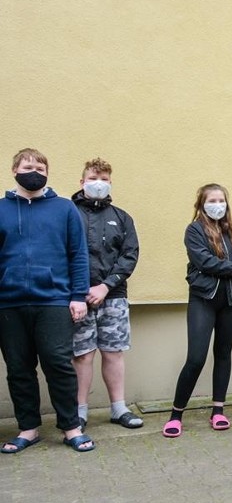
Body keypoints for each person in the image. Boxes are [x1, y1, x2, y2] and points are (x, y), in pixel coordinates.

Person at [0, 148, 95, 453]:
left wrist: (78, 296)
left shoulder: (65, 209)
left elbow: (78, 255)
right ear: (15, 170)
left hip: (54, 300)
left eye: (41, 167)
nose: (35, 171)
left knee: (58, 364)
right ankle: (28, 429)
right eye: (28, 166)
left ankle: (70, 427)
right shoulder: (1, 209)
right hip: (9, 303)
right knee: (18, 367)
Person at [162, 183, 232, 438]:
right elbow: (204, 261)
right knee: (196, 358)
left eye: (222, 200)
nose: (218, 205)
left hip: (230, 302)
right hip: (203, 300)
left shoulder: (229, 230)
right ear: (202, 203)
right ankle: (176, 414)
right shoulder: (194, 230)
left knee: (223, 354)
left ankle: (218, 410)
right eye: (212, 200)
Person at [71, 158, 142, 430]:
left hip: (113, 296)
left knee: (113, 353)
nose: (98, 183)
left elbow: (129, 255)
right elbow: (62, 252)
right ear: (82, 181)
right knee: (82, 355)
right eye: (93, 177)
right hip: (78, 297)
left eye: (103, 178)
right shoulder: (68, 212)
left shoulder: (122, 217)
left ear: (110, 182)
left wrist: (106, 285)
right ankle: (79, 412)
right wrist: (79, 290)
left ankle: (118, 408)